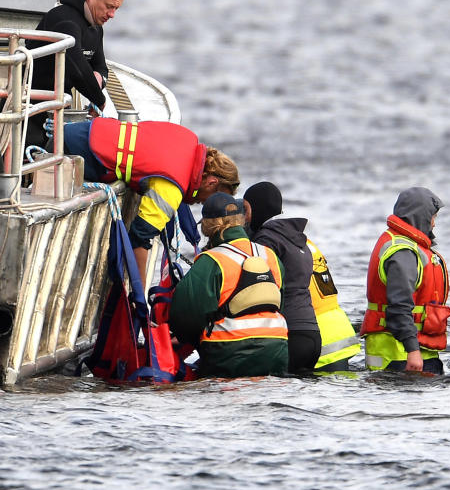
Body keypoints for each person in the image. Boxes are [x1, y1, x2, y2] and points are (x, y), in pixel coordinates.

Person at [63, 117, 239, 286]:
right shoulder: (171, 189)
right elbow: (139, 238)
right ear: (211, 182)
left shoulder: (186, 138)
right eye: (211, 199)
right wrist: (139, 292)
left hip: (78, 131)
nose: (204, 204)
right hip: (76, 155)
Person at [244, 181, 360, 373]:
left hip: (316, 337)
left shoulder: (269, 242)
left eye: (246, 210)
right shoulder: (301, 240)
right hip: (339, 332)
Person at [169, 193, 288, 378]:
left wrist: (188, 339)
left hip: (229, 355)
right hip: (277, 349)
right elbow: (281, 302)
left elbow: (184, 315)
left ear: (208, 226)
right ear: (241, 220)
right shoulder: (269, 255)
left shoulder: (211, 261)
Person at [26, 0, 125, 147]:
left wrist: (98, 79)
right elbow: (77, 69)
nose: (112, 15)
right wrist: (99, 100)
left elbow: (101, 67)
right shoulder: (64, 19)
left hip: (60, 106)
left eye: (116, 9)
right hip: (30, 108)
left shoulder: (95, 28)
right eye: (109, 7)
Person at [360, 187, 450, 374]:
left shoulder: (404, 244)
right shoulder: (403, 252)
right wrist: (412, 349)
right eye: (432, 217)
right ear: (420, 217)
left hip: (411, 350)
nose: (433, 224)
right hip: (398, 354)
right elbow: (399, 307)